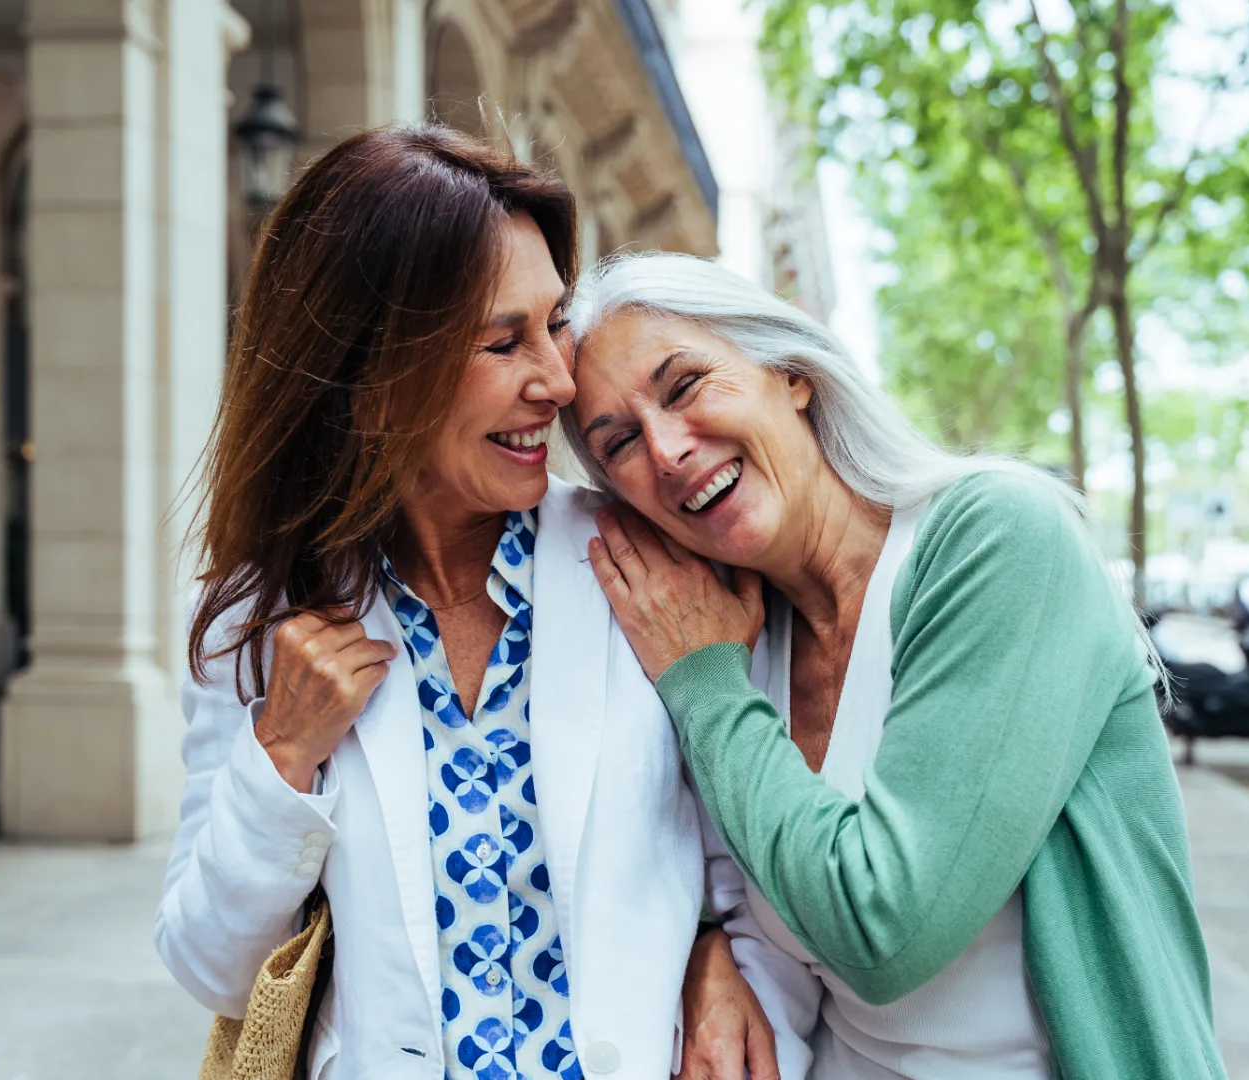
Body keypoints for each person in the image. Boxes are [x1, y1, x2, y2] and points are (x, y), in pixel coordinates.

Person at [154, 127, 788, 1080]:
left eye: (554, 324)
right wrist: (279, 759)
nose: (559, 381)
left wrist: (718, 955)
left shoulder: (645, 562)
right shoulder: (260, 617)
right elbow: (210, 966)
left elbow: (752, 852)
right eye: (504, 342)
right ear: (368, 379)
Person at [561, 251, 1229, 1080]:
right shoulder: (736, 635)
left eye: (685, 384)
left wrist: (705, 687)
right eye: (619, 441)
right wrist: (708, 953)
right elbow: (737, 901)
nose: (665, 450)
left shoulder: (994, 539)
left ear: (791, 374)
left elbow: (884, 930)